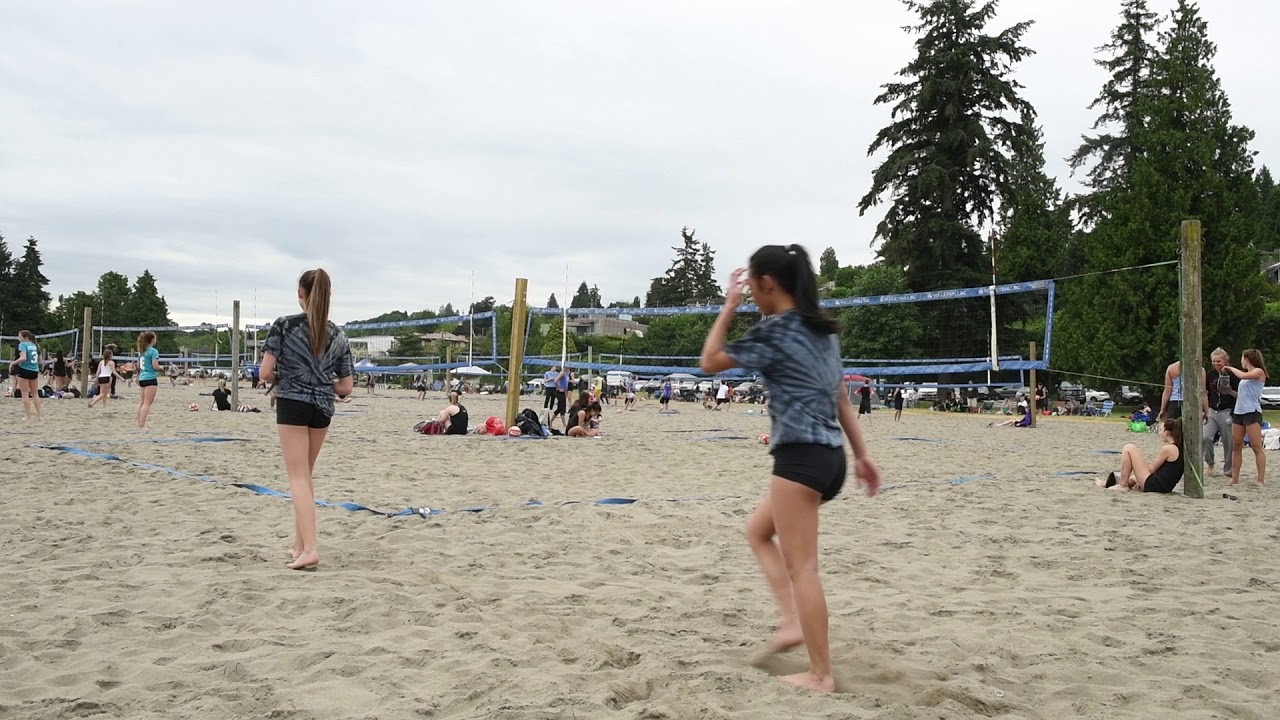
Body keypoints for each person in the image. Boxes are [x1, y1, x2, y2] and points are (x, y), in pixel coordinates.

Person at [699, 244, 881, 694]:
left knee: (805, 570)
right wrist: (862, 456)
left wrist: (728, 307)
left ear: (766, 284)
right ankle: (789, 622)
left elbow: (709, 362)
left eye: (753, 289)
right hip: (830, 459)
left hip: (799, 460)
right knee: (759, 531)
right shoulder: (824, 331)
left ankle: (820, 675)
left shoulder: (776, 331)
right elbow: (840, 399)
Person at [260, 268, 354, 571]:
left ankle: (310, 548)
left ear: (301, 294)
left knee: (298, 478)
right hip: (323, 407)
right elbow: (346, 387)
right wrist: (322, 382)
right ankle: (299, 545)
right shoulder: (338, 335)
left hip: (293, 402)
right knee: (306, 476)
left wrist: (287, 375)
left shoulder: (285, 326)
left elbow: (264, 373)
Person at [1095, 418, 1185, 493]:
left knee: (1129, 448)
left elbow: (1152, 470)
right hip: (1163, 486)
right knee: (1133, 478)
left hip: (1155, 486)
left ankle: (1122, 485)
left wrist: (1141, 476)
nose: (1159, 433)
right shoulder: (1179, 448)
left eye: (1161, 430)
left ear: (1167, 433)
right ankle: (1105, 483)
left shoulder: (1169, 449)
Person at [1226, 349, 1267, 487]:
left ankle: (1260, 479)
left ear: (1247, 359)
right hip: (1239, 412)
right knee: (1236, 446)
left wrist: (1231, 368)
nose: (1241, 361)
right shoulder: (1247, 377)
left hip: (1252, 412)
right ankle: (1234, 478)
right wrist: (1229, 391)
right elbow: (1242, 394)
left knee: (1256, 446)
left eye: (1242, 358)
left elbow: (1243, 376)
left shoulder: (1258, 372)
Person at [1203, 348, 1238, 478]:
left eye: (1219, 361)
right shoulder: (1210, 374)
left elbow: (1238, 395)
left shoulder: (1232, 374)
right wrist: (1204, 410)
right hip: (1212, 410)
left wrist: (1233, 414)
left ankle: (1228, 469)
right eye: (1214, 361)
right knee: (1205, 437)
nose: (1216, 364)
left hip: (1227, 410)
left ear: (1225, 360)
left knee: (1228, 442)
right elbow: (1205, 392)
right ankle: (1210, 463)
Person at [8, 331, 43, 420]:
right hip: (34, 370)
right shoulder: (34, 345)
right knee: (35, 394)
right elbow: (40, 362)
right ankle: (39, 416)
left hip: (24, 370)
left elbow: (23, 358)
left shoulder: (23, 345)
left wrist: (13, 363)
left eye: (20, 337)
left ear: (26, 337)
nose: (18, 339)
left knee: (25, 394)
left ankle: (28, 416)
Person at [135, 331, 163, 429]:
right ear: (152, 340)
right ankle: (142, 425)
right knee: (147, 403)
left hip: (142, 377)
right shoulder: (153, 351)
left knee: (142, 402)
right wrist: (161, 368)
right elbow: (155, 366)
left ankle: (139, 423)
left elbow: (138, 366)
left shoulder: (142, 351)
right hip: (150, 378)